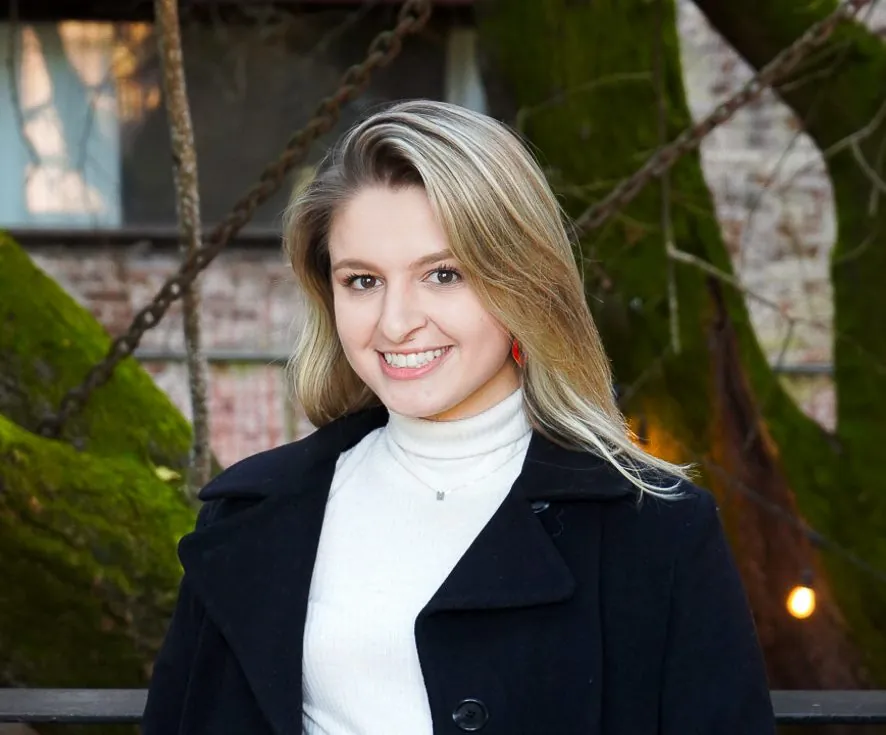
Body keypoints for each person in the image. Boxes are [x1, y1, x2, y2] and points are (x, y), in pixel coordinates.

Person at [142, 100, 775, 735]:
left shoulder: (656, 531)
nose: (396, 322)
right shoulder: (249, 515)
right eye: (362, 281)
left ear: (524, 282)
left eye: (443, 275)